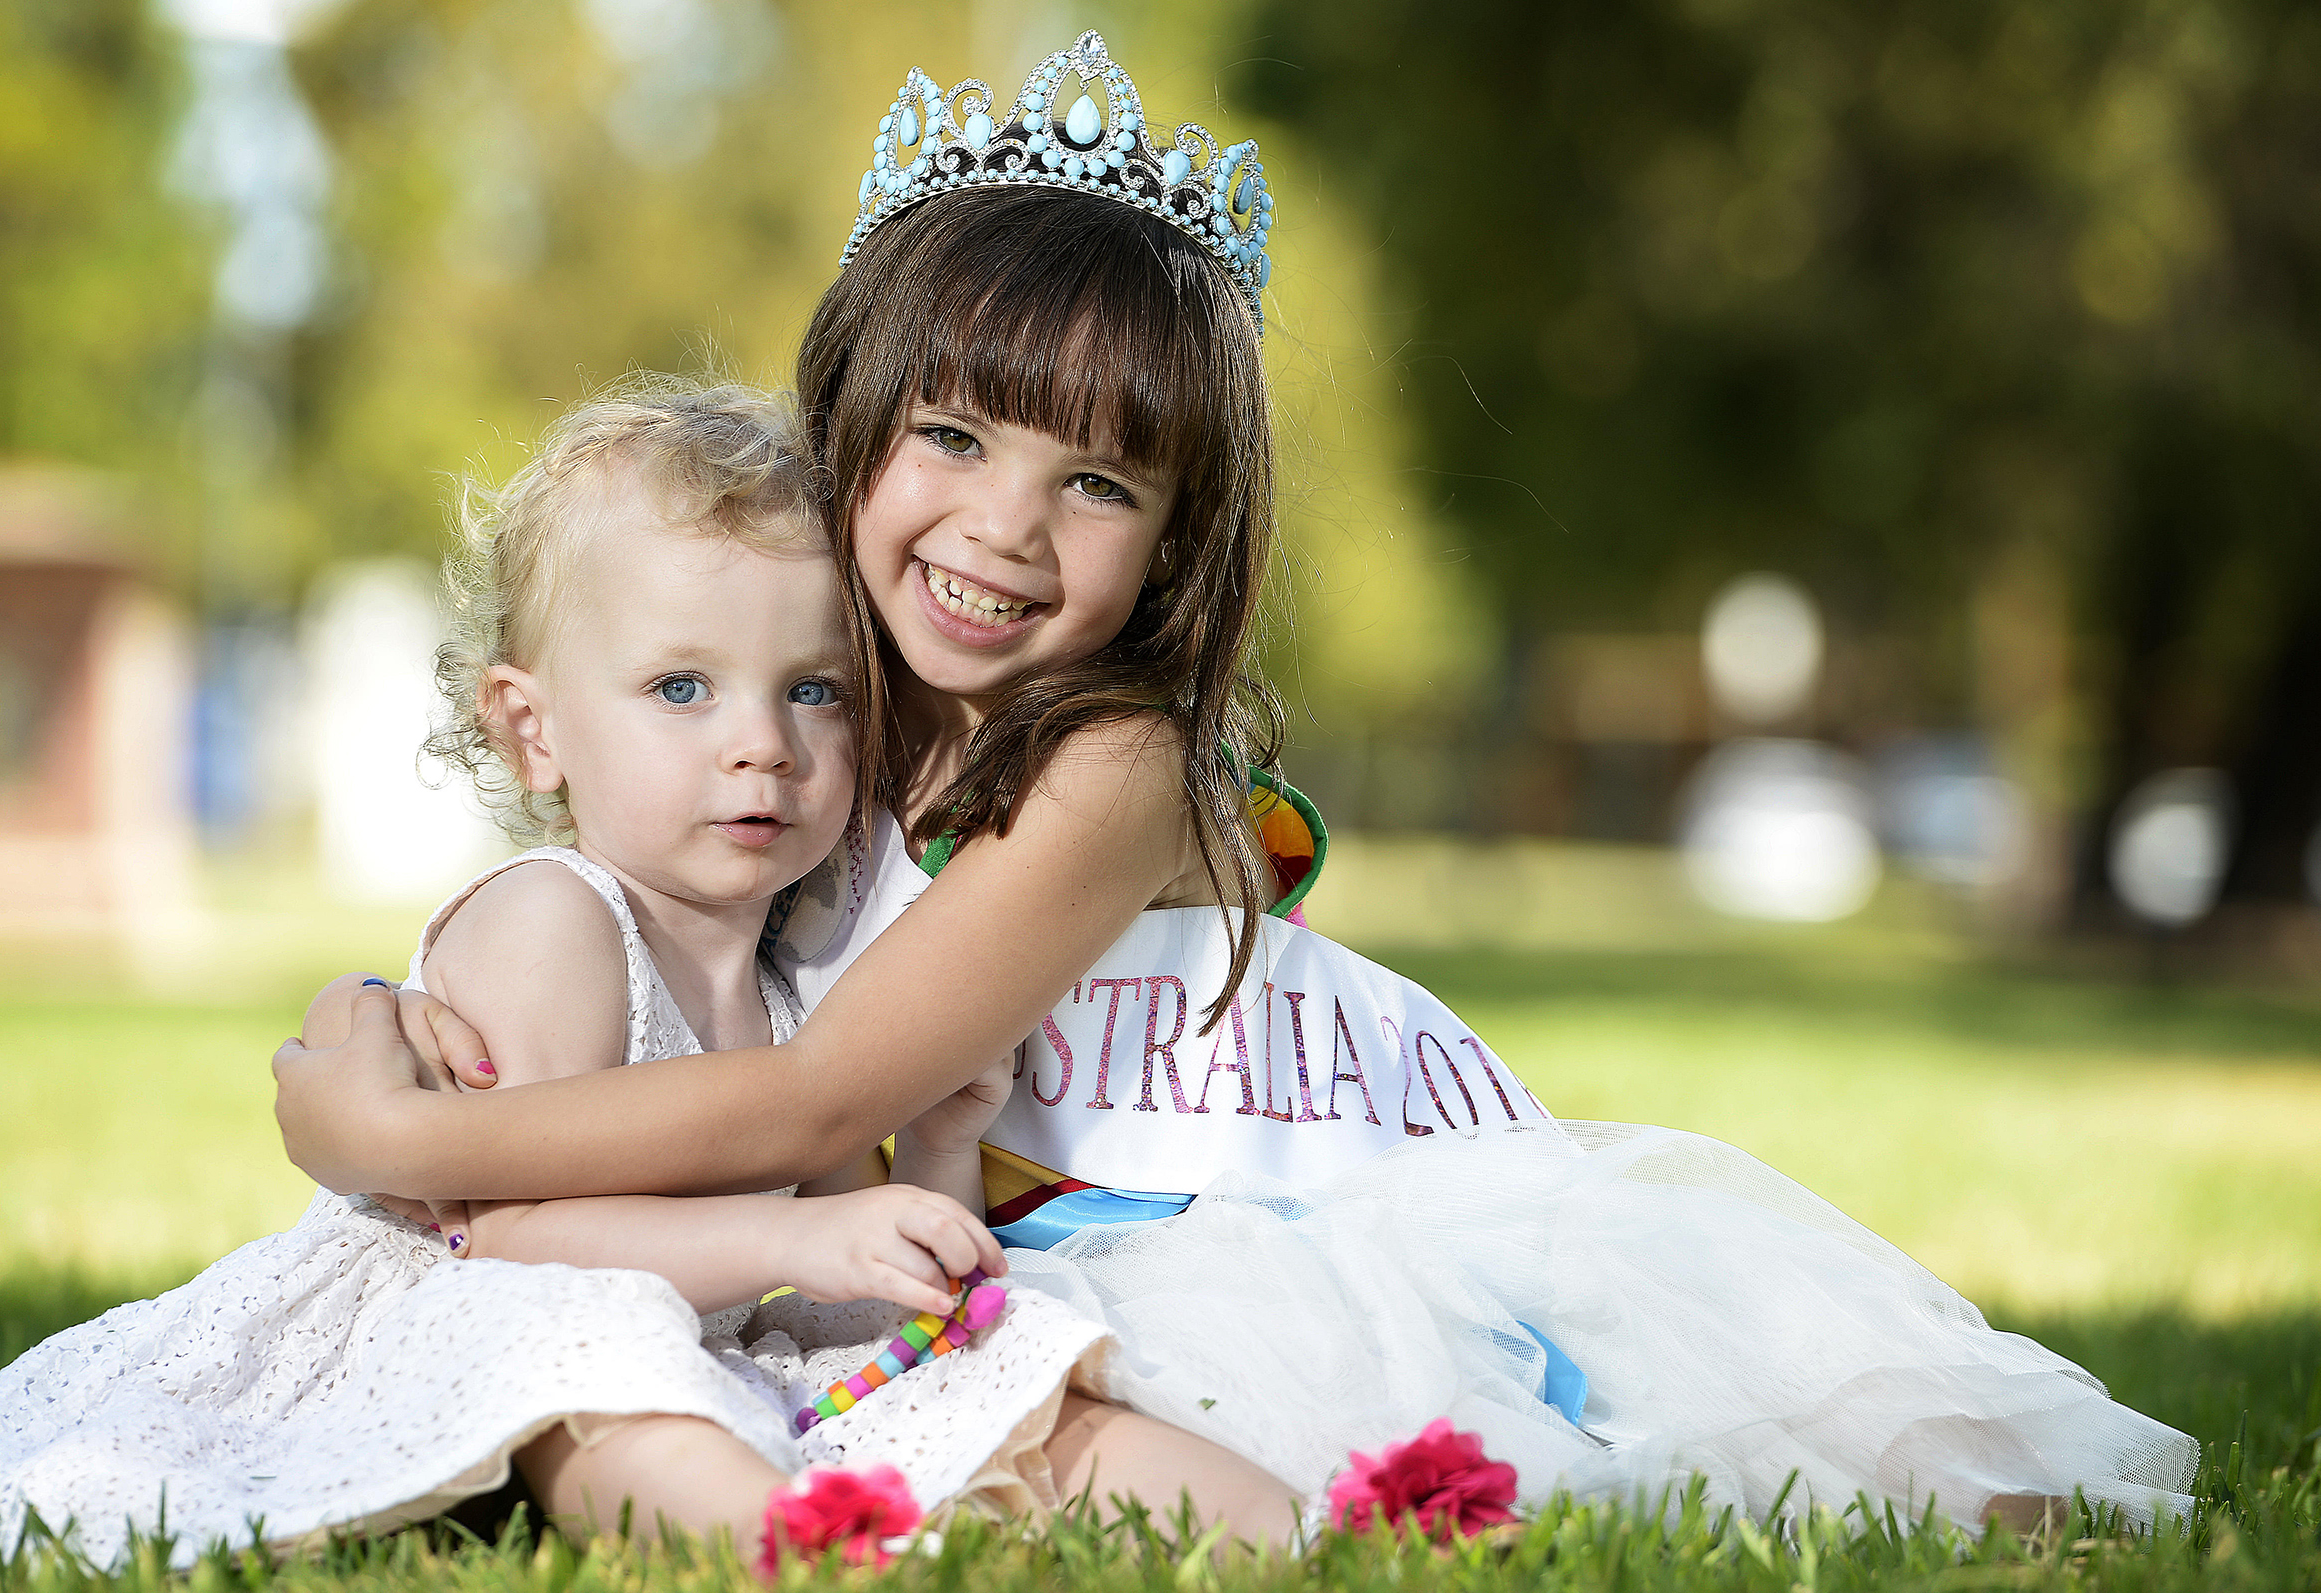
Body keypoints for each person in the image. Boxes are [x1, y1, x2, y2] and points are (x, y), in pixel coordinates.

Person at [271, 32, 2199, 1537]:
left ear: (1181, 536)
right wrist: (439, 1020)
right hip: (1042, 1222)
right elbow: (665, 930)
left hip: (1290, 1207)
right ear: (845, 421)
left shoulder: (1112, 760)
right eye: (950, 433)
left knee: (1695, 1441)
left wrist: (411, 1151)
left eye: (1098, 483)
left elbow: (822, 1086)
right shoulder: (827, 702)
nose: (1005, 530)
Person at [0, 380, 1296, 1568]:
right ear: (531, 729)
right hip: (476, 1331)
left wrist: (935, 1155)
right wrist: (787, 1234)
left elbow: (843, 1277)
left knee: (977, 1359)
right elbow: (515, 1238)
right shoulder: (554, 922)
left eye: (814, 691)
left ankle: (1289, 1516)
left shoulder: (790, 971)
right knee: (603, 1370)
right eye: (680, 689)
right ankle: (792, 1547)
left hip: (694, 1345)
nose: (758, 744)